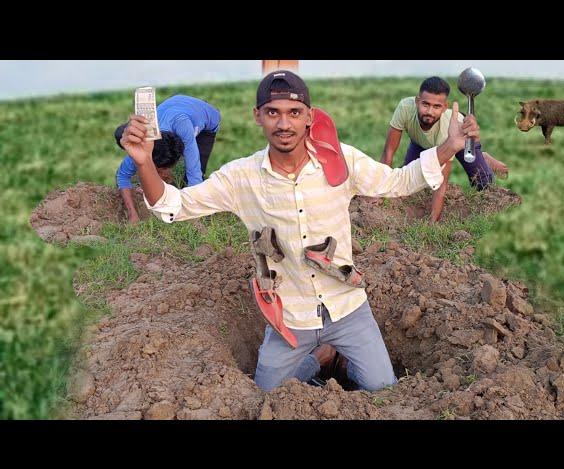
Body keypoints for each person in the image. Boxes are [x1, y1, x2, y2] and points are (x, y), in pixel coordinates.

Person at [119, 70, 480, 392]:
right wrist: (145, 162)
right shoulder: (241, 178)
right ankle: (320, 358)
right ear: (257, 116)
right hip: (288, 317)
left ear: (309, 117)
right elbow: (174, 206)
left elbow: (400, 181)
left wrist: (449, 146)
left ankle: (340, 353)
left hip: (347, 308)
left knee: (383, 389)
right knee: (265, 396)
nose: (284, 124)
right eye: (273, 112)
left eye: (294, 113)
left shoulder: (341, 160)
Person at [380, 77, 508, 223]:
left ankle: (481, 157)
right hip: (421, 143)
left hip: (458, 140)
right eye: (425, 104)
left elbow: (441, 183)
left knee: (484, 183)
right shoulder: (405, 108)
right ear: (417, 101)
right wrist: (378, 191)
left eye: (436, 107)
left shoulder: (447, 129)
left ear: (444, 107)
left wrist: (433, 221)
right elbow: (388, 152)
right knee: (409, 179)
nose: (429, 111)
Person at [114, 94, 221, 223]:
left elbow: (195, 175)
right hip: (172, 107)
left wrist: (195, 218)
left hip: (207, 120)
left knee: (196, 171)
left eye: (162, 170)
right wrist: (133, 214)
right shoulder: (145, 143)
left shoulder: (184, 128)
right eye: (158, 170)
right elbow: (122, 176)